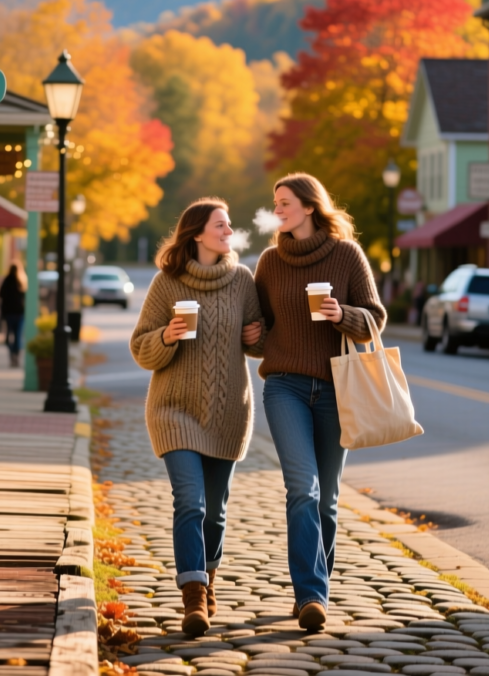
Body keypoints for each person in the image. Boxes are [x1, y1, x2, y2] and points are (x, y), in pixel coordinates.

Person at [253, 173, 385, 631]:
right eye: (275, 203)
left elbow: (376, 319)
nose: (279, 209)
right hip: (284, 387)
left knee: (327, 498)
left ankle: (316, 587)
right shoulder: (269, 262)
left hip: (335, 388)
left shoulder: (346, 255)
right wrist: (252, 336)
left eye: (285, 202)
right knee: (302, 488)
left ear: (309, 206)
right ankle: (311, 594)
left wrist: (342, 314)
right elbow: (262, 331)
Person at [130, 197, 264, 636]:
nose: (229, 231)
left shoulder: (243, 281)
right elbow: (140, 348)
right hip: (174, 409)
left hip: (227, 412)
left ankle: (208, 582)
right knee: (190, 501)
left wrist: (258, 336)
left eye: (229, 225)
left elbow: (260, 344)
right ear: (198, 234)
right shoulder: (166, 284)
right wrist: (166, 336)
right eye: (221, 225)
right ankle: (192, 599)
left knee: (215, 512)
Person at [0, 263, 27, 367]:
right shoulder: (21, 282)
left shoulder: (6, 281)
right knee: (18, 336)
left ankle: (12, 354)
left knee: (9, 336)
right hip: (19, 313)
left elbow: (0, 295)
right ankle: (16, 355)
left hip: (9, 313)